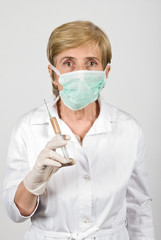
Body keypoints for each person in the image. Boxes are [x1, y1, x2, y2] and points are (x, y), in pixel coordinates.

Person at [3, 20, 155, 240]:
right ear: (53, 74)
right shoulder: (27, 128)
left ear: (106, 71)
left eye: (91, 63)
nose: (80, 73)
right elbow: (16, 213)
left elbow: (139, 209)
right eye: (68, 63)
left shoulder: (128, 129)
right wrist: (33, 182)